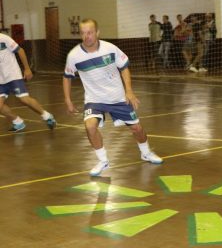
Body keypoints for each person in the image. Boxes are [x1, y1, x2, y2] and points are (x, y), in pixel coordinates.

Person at [63, 18, 162, 177]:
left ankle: (146, 152)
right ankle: (103, 161)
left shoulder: (110, 49)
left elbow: (124, 68)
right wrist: (67, 99)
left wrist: (129, 91)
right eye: (83, 33)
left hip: (117, 98)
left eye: (90, 32)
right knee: (90, 127)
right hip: (94, 100)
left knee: (137, 128)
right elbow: (67, 77)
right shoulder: (74, 55)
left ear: (97, 32)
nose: (86, 36)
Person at [0, 32, 56, 132]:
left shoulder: (3, 38)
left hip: (13, 75)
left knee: (24, 99)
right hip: (1, 80)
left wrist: (27, 68)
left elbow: (20, 51)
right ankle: (18, 122)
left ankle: (47, 116)